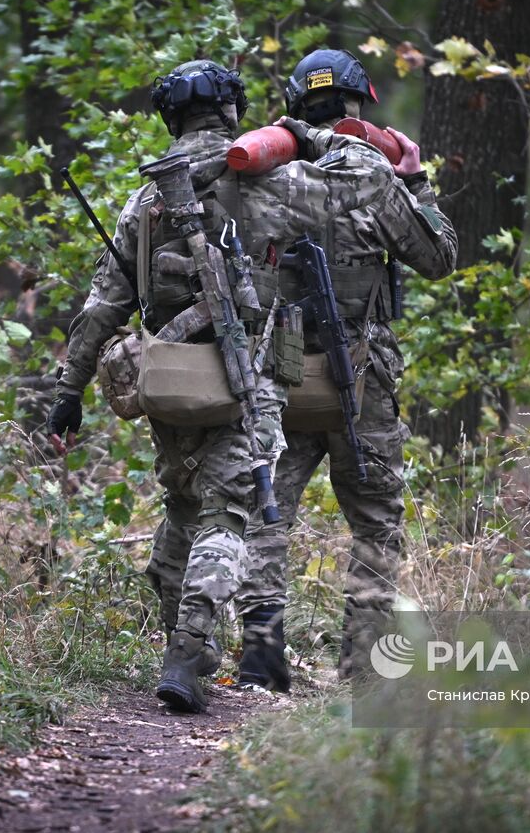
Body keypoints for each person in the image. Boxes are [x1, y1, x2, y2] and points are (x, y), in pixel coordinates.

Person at [47, 59, 411, 712]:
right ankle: (190, 651)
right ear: (234, 111)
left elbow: (102, 305)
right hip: (248, 386)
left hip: (168, 383)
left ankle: (178, 640)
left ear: (170, 117)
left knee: (185, 508)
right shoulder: (281, 182)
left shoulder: (145, 200)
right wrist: (319, 135)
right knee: (228, 516)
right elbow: (366, 195)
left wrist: (67, 391)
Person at [234, 48, 457, 689]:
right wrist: (415, 179)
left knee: (268, 506)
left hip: (280, 365)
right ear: (360, 103)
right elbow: (439, 256)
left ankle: (260, 654)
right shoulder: (376, 177)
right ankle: (364, 669)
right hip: (363, 376)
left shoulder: (269, 175)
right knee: (376, 522)